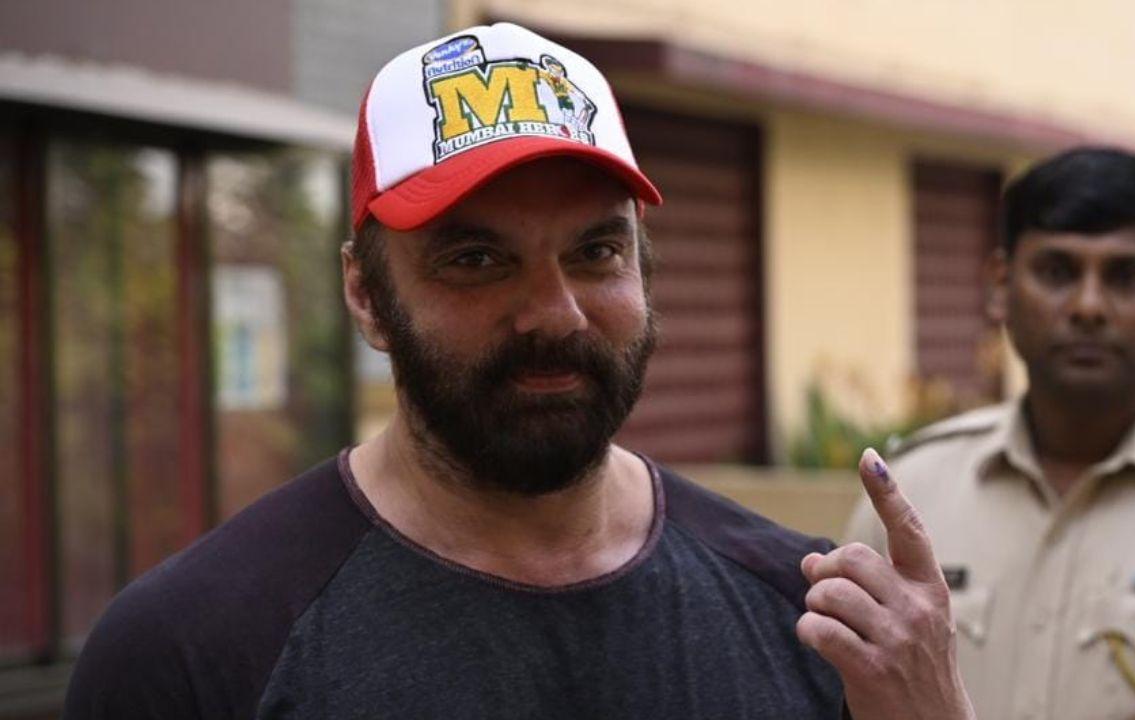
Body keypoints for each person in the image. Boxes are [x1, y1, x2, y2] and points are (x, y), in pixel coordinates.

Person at [65, 23, 974, 719]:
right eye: (477, 260)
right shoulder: (192, 652)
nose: (556, 311)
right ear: (365, 293)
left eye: (594, 252)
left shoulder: (804, 619)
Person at [845, 147, 1135, 719]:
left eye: (1124, 275)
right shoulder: (910, 494)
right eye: (1057, 271)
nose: (1088, 305)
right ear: (1001, 285)